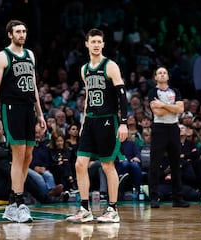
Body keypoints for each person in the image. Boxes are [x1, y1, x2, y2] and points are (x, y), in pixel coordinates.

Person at [0, 20, 46, 223]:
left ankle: (12, 202)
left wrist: (40, 113)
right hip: (11, 108)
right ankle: (19, 202)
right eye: (18, 31)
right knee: (18, 153)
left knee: (28, 155)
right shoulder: (2, 56)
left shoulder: (30, 55)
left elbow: (34, 86)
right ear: (10, 34)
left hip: (29, 109)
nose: (22, 34)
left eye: (24, 31)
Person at [66, 28, 128, 223]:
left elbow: (122, 96)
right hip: (91, 120)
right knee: (80, 163)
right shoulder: (84, 69)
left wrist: (124, 123)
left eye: (99, 42)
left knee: (107, 165)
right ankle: (85, 209)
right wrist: (84, 120)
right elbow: (87, 98)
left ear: (103, 44)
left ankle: (113, 209)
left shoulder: (110, 66)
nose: (96, 45)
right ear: (87, 44)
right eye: (92, 41)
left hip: (108, 119)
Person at [148, 66, 190, 208]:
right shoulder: (152, 92)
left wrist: (163, 104)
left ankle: (177, 198)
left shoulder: (175, 91)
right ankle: (154, 197)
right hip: (159, 128)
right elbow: (157, 112)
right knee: (155, 163)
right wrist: (171, 108)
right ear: (155, 77)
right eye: (159, 73)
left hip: (173, 128)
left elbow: (181, 109)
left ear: (168, 77)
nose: (162, 75)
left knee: (175, 164)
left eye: (164, 73)